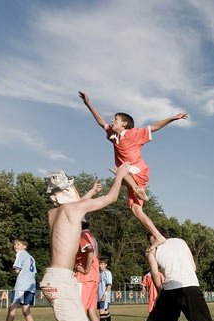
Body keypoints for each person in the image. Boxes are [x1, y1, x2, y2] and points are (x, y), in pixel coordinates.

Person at [16, 165, 129, 321]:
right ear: (67, 191)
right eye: (73, 187)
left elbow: (74, 206)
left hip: (57, 278)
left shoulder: (53, 213)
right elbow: (112, 197)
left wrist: (87, 193)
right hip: (61, 280)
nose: (77, 191)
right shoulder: (74, 208)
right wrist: (120, 175)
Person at [79, 91, 187, 247]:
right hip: (129, 175)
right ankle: (158, 236)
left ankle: (137, 188)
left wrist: (173, 118)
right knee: (136, 210)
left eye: (115, 119)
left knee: (119, 170)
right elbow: (101, 121)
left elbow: (154, 126)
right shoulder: (113, 136)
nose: (112, 121)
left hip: (138, 170)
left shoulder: (133, 133)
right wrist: (88, 104)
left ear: (124, 124)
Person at [0, 239, 37, 321]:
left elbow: (17, 270)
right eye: (14, 244)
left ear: (24, 246)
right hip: (31, 286)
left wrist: (13, 272)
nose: (15, 246)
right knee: (26, 311)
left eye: (18, 244)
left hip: (22, 285)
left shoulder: (20, 254)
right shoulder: (31, 257)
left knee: (12, 309)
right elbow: (34, 272)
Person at [98, 257, 113, 321]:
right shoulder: (98, 273)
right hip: (98, 295)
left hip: (104, 296)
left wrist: (105, 295)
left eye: (102, 264)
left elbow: (109, 285)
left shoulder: (108, 273)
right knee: (105, 310)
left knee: (101, 311)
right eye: (99, 263)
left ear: (106, 265)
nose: (100, 265)